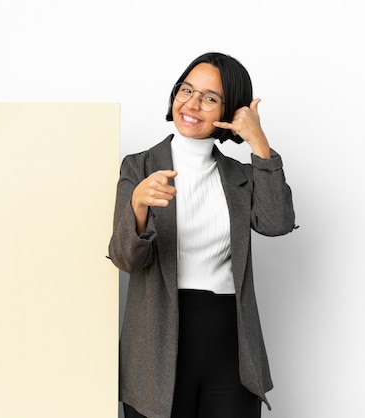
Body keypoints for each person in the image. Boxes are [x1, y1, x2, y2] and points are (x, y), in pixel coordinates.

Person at [108, 52, 297, 418]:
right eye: (186, 90)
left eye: (210, 98)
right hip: (157, 338)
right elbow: (125, 259)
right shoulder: (139, 167)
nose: (192, 104)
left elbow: (277, 223)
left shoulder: (238, 177)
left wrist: (259, 143)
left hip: (231, 341)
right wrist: (138, 205)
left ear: (232, 112)